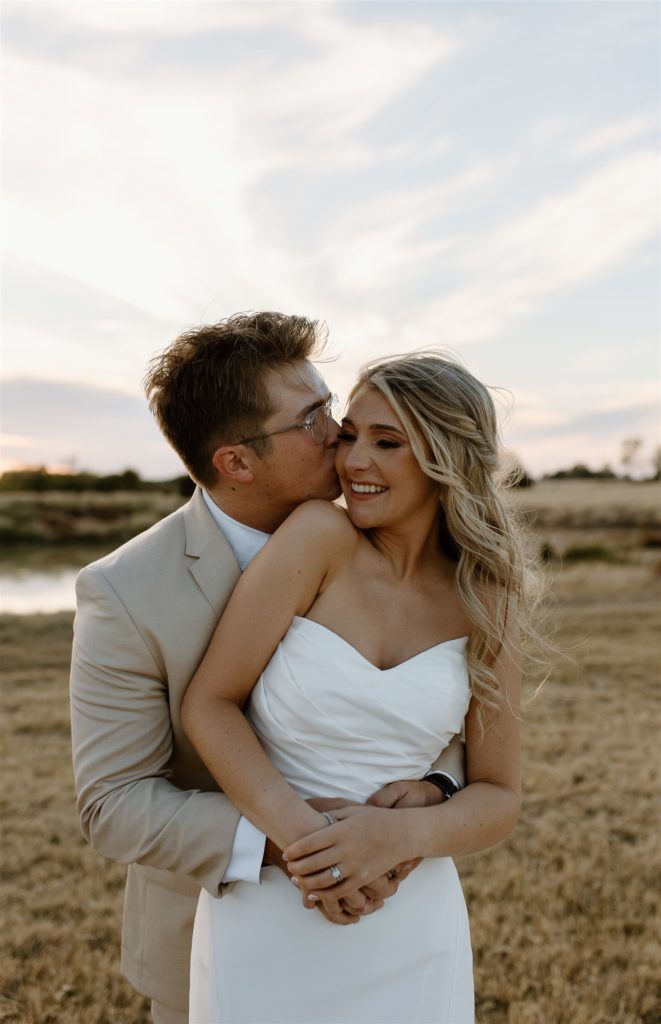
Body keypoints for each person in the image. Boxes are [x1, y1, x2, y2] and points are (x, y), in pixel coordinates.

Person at [69, 313, 464, 1024]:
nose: (340, 434)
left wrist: (436, 787)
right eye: (312, 420)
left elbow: (432, 700)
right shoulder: (124, 592)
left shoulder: (386, 532)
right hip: (213, 935)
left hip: (388, 917)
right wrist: (299, 846)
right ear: (237, 462)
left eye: (330, 405)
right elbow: (113, 806)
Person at [182, 351, 527, 1024]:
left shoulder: (488, 599)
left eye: (386, 443)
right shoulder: (318, 538)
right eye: (349, 435)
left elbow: (498, 795)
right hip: (275, 901)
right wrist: (314, 850)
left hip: (409, 920)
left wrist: (401, 838)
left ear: (447, 458)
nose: (352, 462)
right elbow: (210, 704)